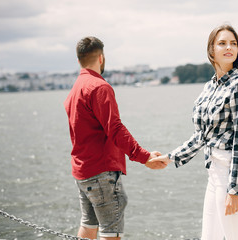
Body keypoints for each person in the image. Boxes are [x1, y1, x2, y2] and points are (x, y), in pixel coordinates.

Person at [150, 24, 238, 240]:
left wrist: (235, 190)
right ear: (211, 50)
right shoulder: (210, 86)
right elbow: (201, 136)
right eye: (222, 43)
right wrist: (169, 157)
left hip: (231, 175)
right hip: (214, 175)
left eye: (233, 43)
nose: (229, 47)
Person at [64, 36, 166, 240]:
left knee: (88, 225)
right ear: (101, 58)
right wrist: (144, 157)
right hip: (102, 172)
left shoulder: (75, 90)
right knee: (111, 233)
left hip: (83, 172)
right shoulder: (100, 87)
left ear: (79, 61)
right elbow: (115, 128)